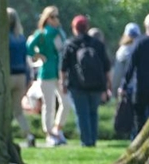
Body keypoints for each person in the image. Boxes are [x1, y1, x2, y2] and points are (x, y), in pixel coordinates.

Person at [60, 15, 111, 147]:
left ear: (74, 28)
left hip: (77, 85)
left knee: (82, 114)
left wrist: (63, 83)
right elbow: (106, 67)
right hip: (97, 85)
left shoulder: (70, 44)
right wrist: (107, 86)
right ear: (87, 27)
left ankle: (86, 141)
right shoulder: (98, 44)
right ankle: (93, 140)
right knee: (93, 113)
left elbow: (63, 67)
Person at [27, 6, 71, 146]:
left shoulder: (60, 33)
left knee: (66, 103)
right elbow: (28, 48)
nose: (56, 19)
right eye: (53, 17)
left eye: (57, 16)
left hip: (59, 73)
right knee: (49, 105)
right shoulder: (42, 33)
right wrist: (38, 55)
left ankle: (57, 129)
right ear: (47, 18)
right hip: (46, 73)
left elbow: (64, 49)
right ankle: (49, 134)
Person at [8, 8, 36, 148]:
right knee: (18, 111)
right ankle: (29, 135)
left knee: (4, 109)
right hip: (21, 76)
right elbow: (26, 59)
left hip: (8, 75)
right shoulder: (21, 38)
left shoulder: (4, 38)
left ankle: (5, 134)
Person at [122, 15, 149, 132]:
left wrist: (124, 85)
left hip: (142, 86)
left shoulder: (140, 43)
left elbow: (130, 66)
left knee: (139, 118)